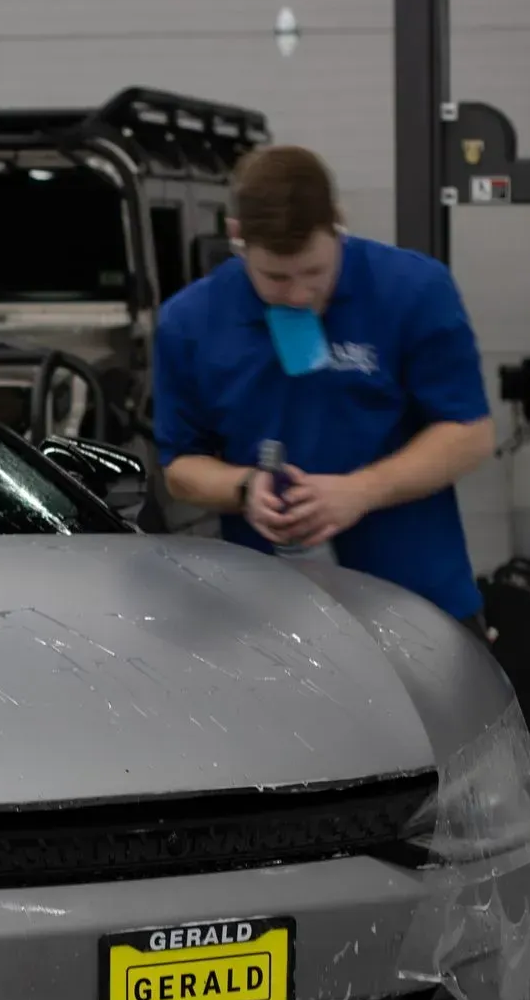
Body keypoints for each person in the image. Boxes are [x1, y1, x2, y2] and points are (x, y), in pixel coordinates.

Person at [151, 144, 498, 639]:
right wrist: (246, 490)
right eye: (275, 277)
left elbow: (469, 434)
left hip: (416, 604)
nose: (297, 294)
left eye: (314, 273)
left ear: (338, 223)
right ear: (236, 237)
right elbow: (181, 469)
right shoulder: (190, 323)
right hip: (268, 619)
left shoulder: (414, 290)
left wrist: (360, 491)